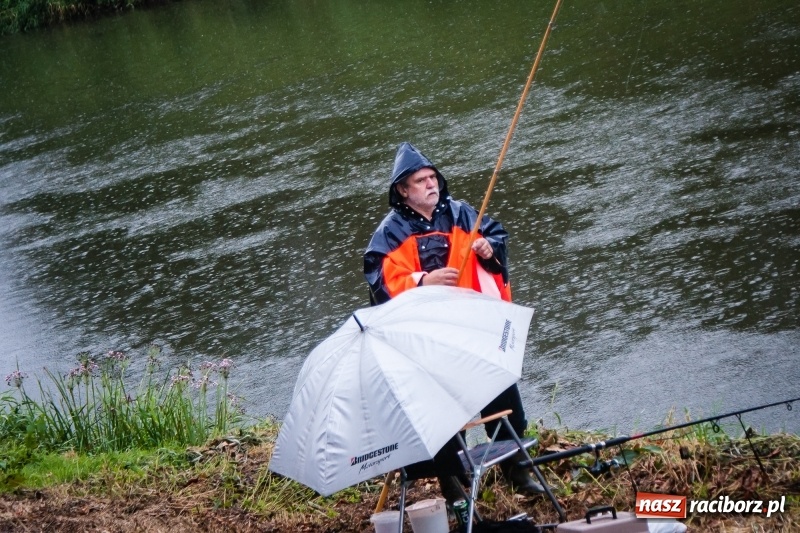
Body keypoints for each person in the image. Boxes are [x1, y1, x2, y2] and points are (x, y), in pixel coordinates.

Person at [363, 142, 544, 502]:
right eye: (421, 180)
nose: (431, 184)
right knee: (438, 407)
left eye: (433, 178)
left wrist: (489, 250)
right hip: (426, 338)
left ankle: (515, 467)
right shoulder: (390, 232)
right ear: (403, 190)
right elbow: (380, 277)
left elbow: (496, 235)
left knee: (499, 389)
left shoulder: (461, 214)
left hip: (471, 324)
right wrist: (421, 282)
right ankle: (452, 480)